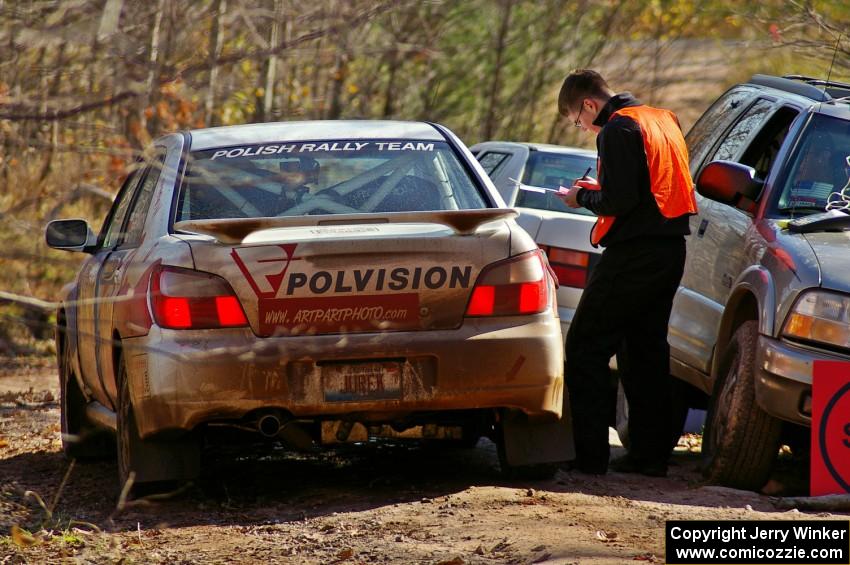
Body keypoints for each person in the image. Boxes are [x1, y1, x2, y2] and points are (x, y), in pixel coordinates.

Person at [555, 69, 697, 476]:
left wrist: (580, 196)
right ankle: (651, 457)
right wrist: (598, 188)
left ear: (589, 104)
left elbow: (619, 198)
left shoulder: (616, 129)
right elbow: (647, 185)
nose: (581, 128)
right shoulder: (662, 119)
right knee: (644, 352)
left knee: (585, 346)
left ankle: (589, 456)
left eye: (576, 120)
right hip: (671, 249)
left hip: (634, 252)